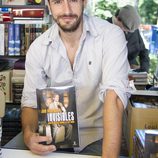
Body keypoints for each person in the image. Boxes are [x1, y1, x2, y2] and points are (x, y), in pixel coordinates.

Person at [21, 0, 131, 157]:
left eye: (73, 0)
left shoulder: (110, 35)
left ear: (84, 2)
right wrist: (29, 136)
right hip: (55, 140)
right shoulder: (37, 48)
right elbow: (30, 103)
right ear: (49, 5)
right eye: (58, 1)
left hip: (100, 138)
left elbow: (114, 97)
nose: (67, 10)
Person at [107, 5, 150, 73]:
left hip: (132, 73)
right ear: (118, 19)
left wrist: (143, 69)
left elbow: (143, 51)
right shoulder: (103, 28)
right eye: (125, 29)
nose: (127, 32)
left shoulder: (132, 28)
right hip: (110, 74)